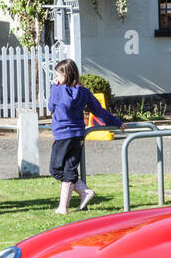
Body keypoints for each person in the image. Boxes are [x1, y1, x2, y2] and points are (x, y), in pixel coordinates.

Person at [48, 59, 123, 214]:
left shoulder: (57, 90)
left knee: (55, 169)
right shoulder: (84, 92)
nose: (57, 78)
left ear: (66, 75)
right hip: (78, 135)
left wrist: (55, 86)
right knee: (70, 168)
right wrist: (116, 122)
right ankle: (64, 206)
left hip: (62, 134)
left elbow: (50, 106)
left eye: (58, 75)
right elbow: (99, 111)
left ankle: (82, 191)